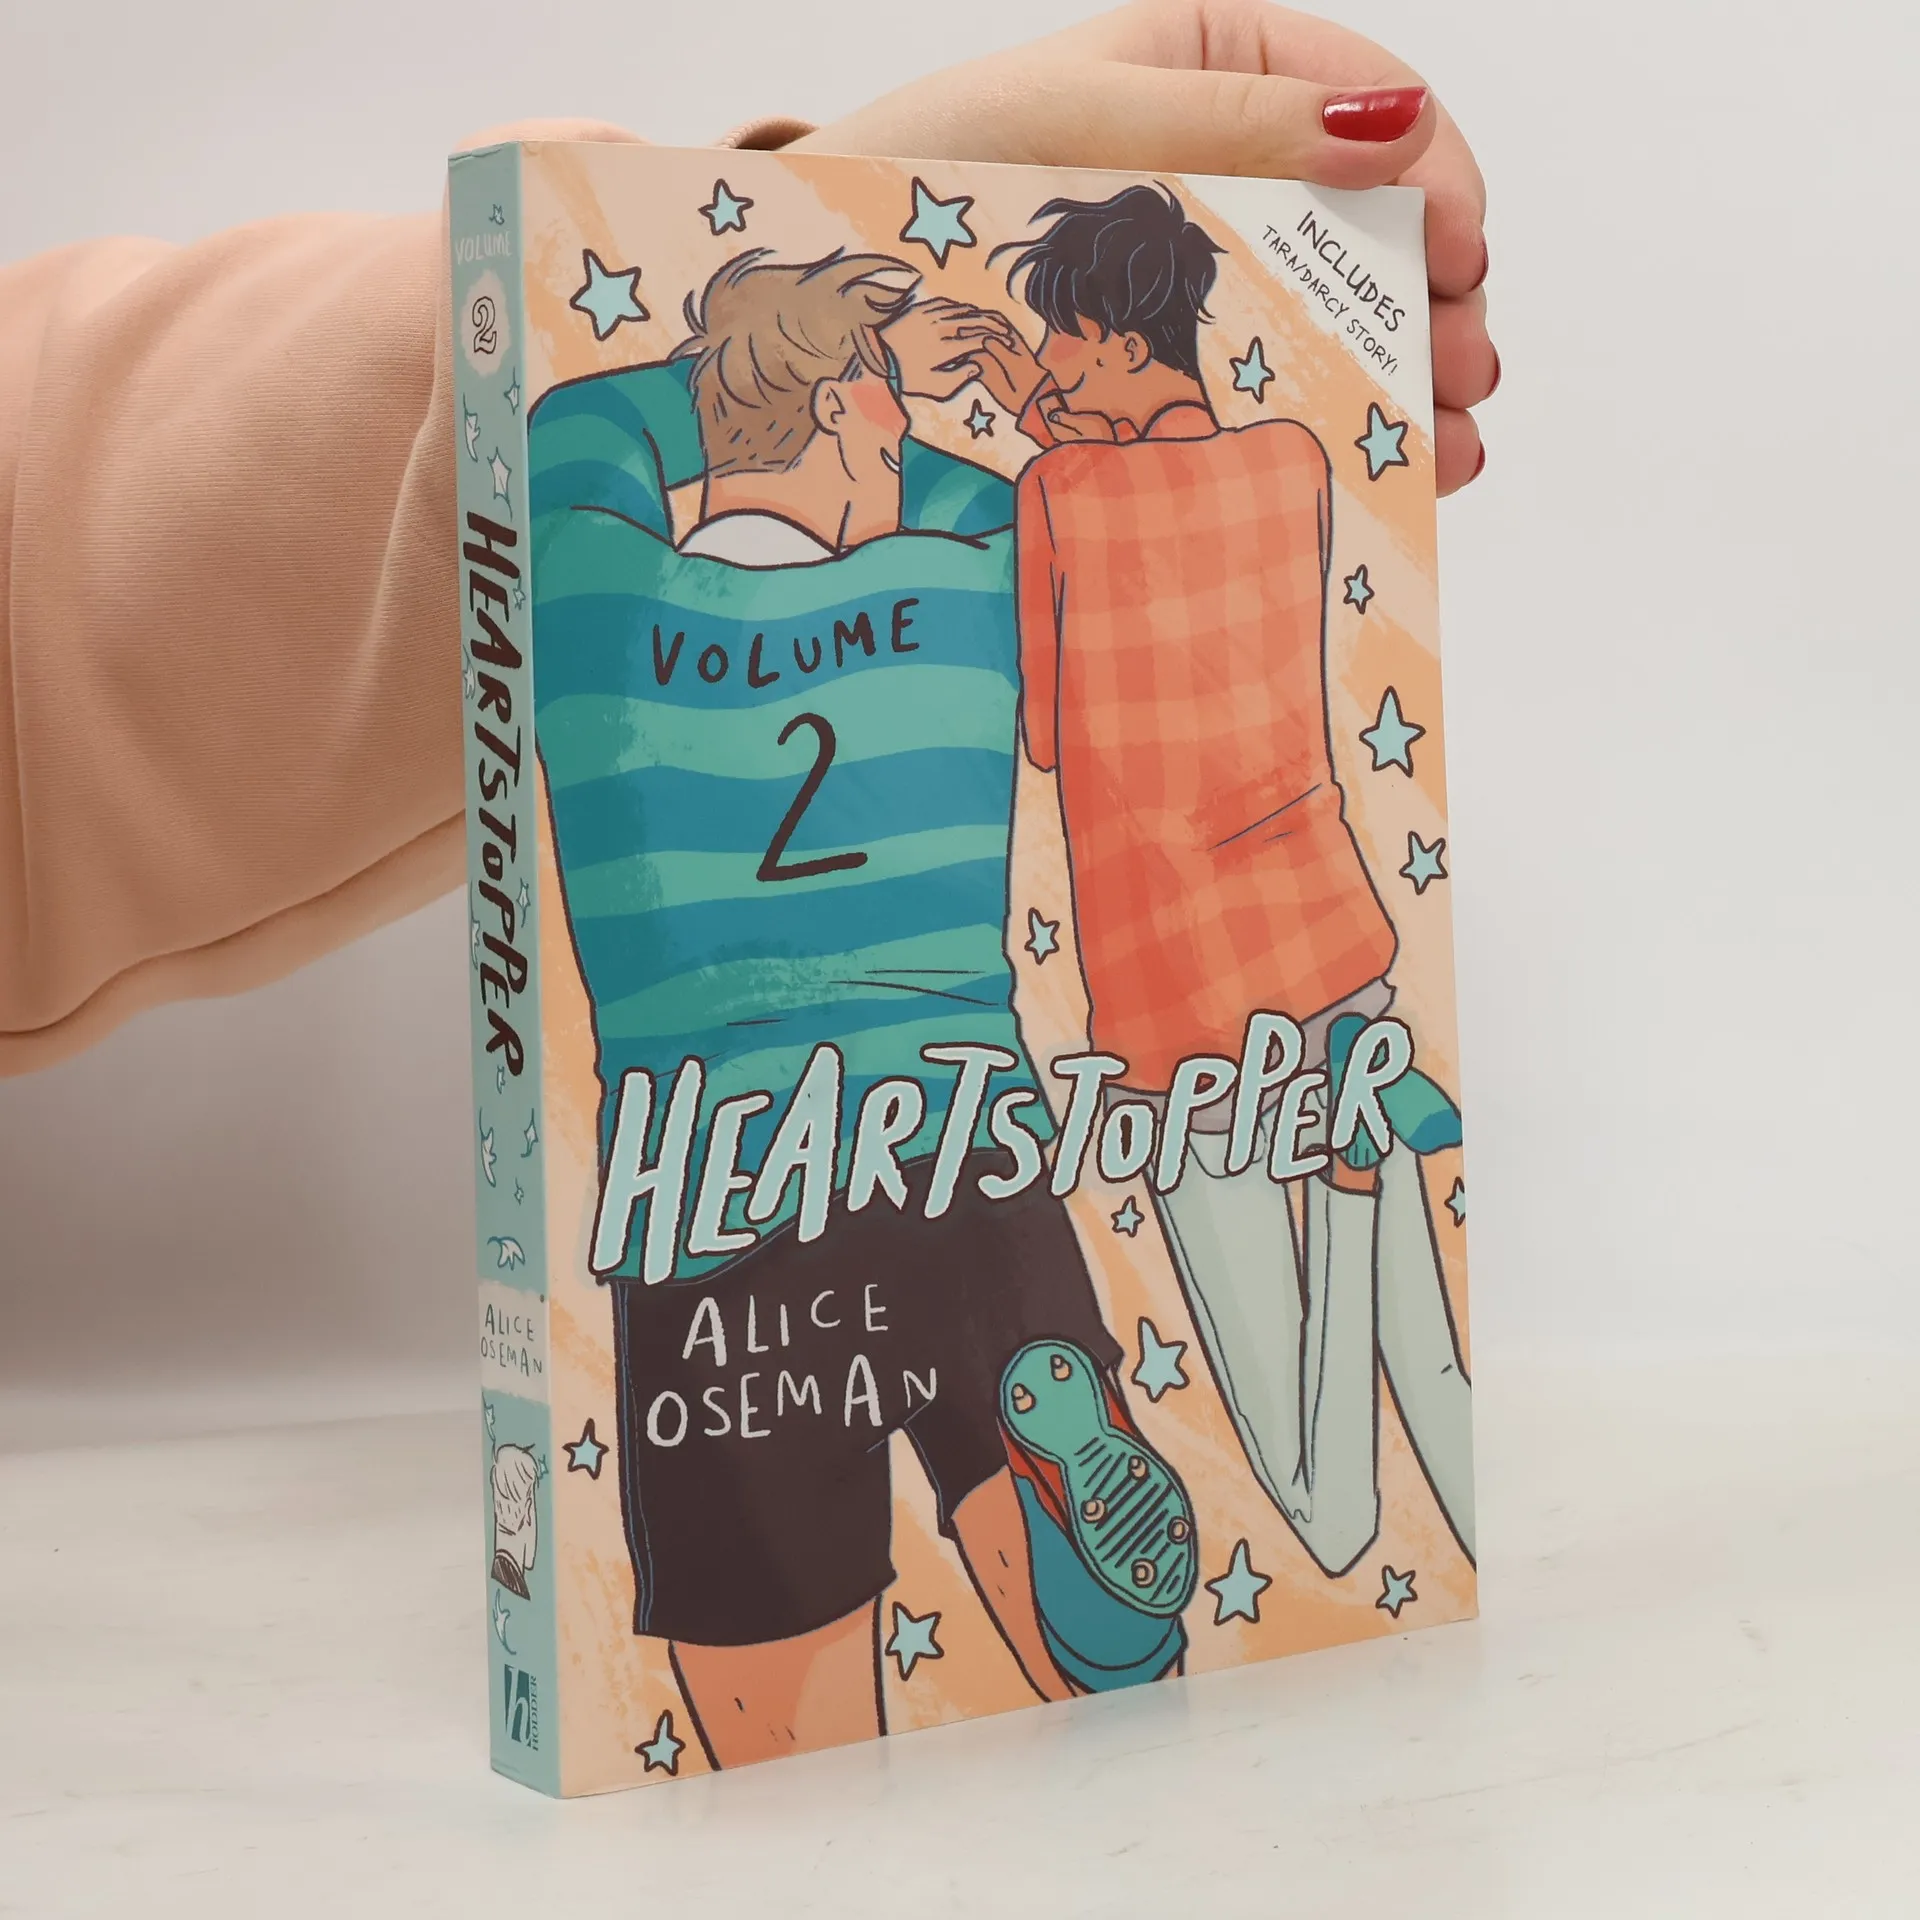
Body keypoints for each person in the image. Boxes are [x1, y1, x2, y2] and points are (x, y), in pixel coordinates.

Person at [0, 0, 1495, 1079]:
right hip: (1081, 1076)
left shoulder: (687, 528)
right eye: (877, 397)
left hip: (889, 1132)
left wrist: (818, 238)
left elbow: (587, 427)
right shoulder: (1080, 507)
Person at [527, 244, 1196, 1765]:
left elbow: (577, 423)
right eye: (886, 408)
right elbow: (997, 497)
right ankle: (1073, 1577)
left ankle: (818, 1827)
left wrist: (761, 370)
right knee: (1086, 1627)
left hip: (714, 1183)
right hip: (958, 1133)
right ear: (842, 411)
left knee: (783, 1726)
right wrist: (915, 384)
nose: (904, 438)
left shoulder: (589, 590)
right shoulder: (962, 580)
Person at [962, 182, 1475, 1571]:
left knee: (1326, 1517)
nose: (1047, 365)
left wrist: (1045, 437)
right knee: (1439, 1378)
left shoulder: (1053, 494)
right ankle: (1360, 1152)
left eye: (1063, 342)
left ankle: (1347, 1184)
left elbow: (1048, 736)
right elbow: (1167, 494)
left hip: (1179, 1006)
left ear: (1119, 345)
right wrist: (1061, 420)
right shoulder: (1295, 461)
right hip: (1328, 946)